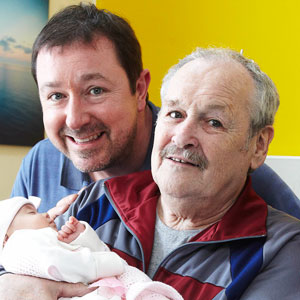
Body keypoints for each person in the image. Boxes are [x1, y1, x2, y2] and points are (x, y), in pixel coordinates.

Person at [10, 3, 300, 218]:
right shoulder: (41, 163)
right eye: (56, 96)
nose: (75, 119)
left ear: (139, 89)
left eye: (95, 91)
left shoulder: (215, 163)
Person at [56, 48, 300, 299]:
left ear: (258, 145)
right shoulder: (99, 202)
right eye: (175, 114)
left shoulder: (281, 250)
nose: (182, 137)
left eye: (214, 122)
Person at [0, 196, 183, 300]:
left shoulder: (43, 241)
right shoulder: (19, 245)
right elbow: (58, 264)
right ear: (5, 237)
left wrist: (81, 236)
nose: (46, 214)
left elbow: (95, 253)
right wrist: (111, 263)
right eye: (32, 213)